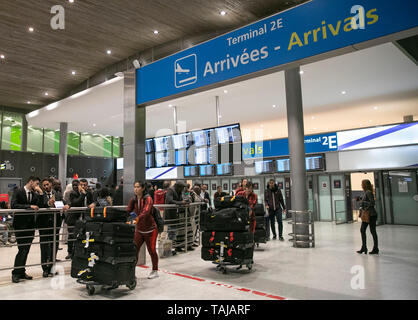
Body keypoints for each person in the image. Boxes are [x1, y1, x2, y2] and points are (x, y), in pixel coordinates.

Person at [10, 176, 45, 283]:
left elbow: (40, 205)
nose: (37, 186)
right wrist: (29, 206)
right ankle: (15, 273)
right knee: (22, 249)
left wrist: (41, 194)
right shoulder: (18, 191)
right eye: (36, 184)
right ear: (31, 182)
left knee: (26, 249)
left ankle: (21, 271)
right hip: (20, 225)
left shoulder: (34, 193)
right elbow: (14, 205)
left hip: (30, 225)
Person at [127, 181, 159, 279]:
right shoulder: (133, 199)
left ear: (143, 188)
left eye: (138, 187)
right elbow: (128, 211)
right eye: (134, 187)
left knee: (152, 250)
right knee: (134, 250)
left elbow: (146, 211)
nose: (135, 189)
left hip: (151, 230)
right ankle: (131, 272)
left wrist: (136, 219)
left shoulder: (148, 198)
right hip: (139, 230)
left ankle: (155, 270)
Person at [66, 179, 94, 259]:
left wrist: (93, 204)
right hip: (73, 218)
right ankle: (70, 252)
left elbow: (92, 202)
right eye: (81, 185)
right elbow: (76, 203)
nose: (83, 187)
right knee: (72, 236)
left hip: (84, 218)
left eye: (84, 185)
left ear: (87, 185)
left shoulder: (89, 193)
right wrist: (82, 194)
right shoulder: (73, 193)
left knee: (83, 236)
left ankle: (80, 252)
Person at [165, 181, 189, 253]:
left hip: (176, 215)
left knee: (174, 232)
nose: (182, 189)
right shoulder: (170, 190)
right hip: (170, 215)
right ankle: (168, 249)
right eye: (181, 187)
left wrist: (185, 201)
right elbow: (169, 200)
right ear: (177, 186)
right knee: (170, 232)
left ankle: (171, 248)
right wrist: (181, 203)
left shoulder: (179, 191)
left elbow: (181, 199)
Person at [357, 179, 379, 255]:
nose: (361, 185)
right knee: (362, 230)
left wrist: (363, 203)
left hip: (371, 215)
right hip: (368, 215)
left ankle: (375, 248)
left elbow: (372, 202)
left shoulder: (368, 192)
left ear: (365, 185)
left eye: (362, 184)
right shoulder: (366, 192)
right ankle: (364, 247)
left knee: (372, 231)